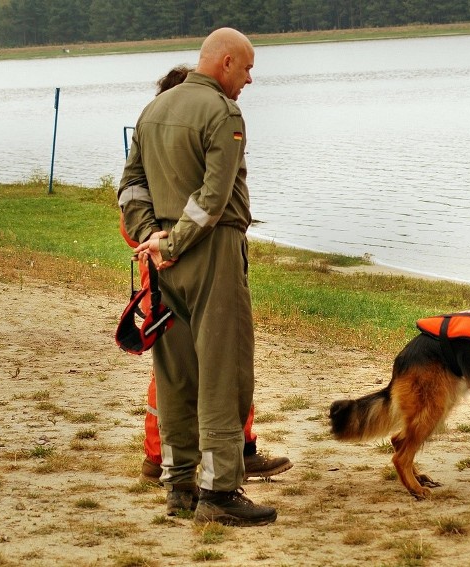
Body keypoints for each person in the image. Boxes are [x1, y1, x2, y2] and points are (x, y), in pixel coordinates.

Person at [118, 28, 278, 526]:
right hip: (210, 253)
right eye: (247, 68)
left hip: (161, 261)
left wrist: (151, 236)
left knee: (175, 376)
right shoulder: (223, 112)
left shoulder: (155, 109)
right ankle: (220, 492)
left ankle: (180, 486)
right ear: (225, 62)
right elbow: (214, 195)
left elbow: (130, 186)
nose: (250, 79)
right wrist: (176, 241)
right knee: (224, 373)